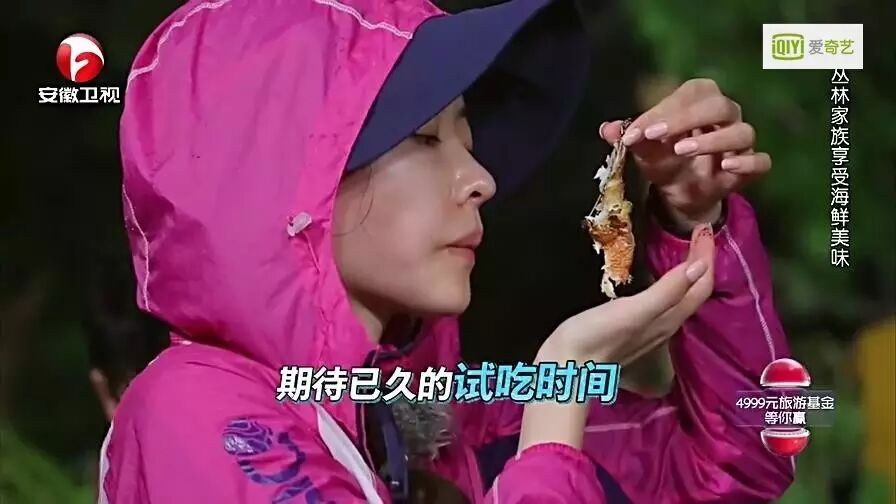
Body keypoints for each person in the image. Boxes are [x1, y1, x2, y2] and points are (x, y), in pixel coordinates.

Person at [100, 0, 795, 501]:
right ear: (288, 181)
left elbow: (747, 455)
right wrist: (562, 391)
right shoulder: (194, 411)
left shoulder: (432, 417)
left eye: (466, 137)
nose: (481, 179)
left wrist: (694, 218)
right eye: (427, 138)